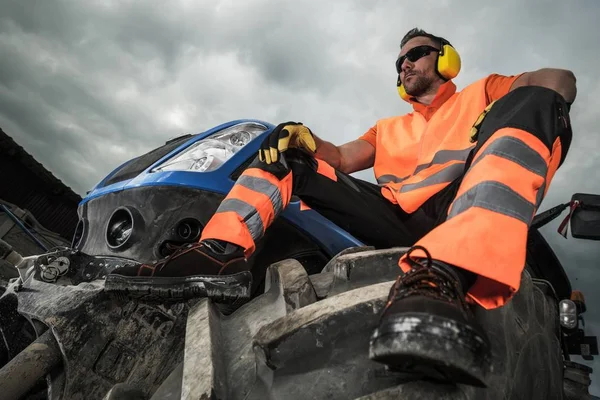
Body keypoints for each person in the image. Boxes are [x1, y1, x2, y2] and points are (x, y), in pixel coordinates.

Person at [106, 28, 576, 385]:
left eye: (415, 54)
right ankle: (218, 255)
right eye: (399, 62)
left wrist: (505, 109)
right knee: (289, 158)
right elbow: (344, 159)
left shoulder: (486, 92)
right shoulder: (387, 128)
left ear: (446, 59)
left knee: (538, 103)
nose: (404, 66)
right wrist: (305, 136)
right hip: (393, 217)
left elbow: (557, 81)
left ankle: (444, 280)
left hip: (458, 213)